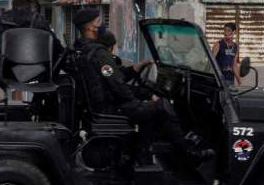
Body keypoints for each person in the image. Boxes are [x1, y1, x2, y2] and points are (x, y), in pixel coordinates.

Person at [72, 8, 213, 161]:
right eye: (98, 22)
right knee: (162, 106)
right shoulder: (99, 54)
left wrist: (135, 69)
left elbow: (112, 77)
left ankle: (143, 154)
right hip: (111, 108)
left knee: (149, 107)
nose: (102, 25)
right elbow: (118, 88)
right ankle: (189, 153)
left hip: (102, 105)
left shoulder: (83, 50)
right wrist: (139, 99)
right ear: (89, 27)